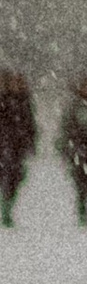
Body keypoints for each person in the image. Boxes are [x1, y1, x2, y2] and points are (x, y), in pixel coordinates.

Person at [57, 72, 87, 226]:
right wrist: (66, 148)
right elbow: (66, 129)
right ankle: (83, 211)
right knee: (81, 183)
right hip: (78, 150)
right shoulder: (74, 108)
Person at [0, 67, 36, 224]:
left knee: (14, 177)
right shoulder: (5, 100)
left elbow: (30, 124)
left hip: (16, 146)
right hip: (5, 145)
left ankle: (7, 206)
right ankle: (6, 207)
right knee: (7, 176)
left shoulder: (23, 102)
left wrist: (30, 142)